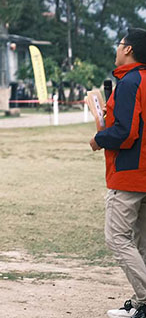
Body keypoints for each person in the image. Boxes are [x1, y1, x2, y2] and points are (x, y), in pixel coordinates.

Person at [90, 29, 146, 318]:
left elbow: (126, 132)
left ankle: (145, 299)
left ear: (128, 49)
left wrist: (99, 138)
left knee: (117, 238)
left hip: (130, 172)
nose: (118, 48)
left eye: (120, 44)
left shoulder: (131, 81)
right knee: (141, 242)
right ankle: (140, 304)